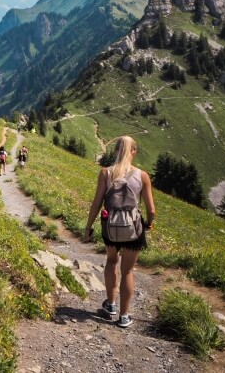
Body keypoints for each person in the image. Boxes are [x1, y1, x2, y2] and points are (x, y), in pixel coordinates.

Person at [83, 136, 156, 328]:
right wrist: (149, 223)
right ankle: (124, 316)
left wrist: (88, 227)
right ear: (134, 152)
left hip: (110, 226)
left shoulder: (105, 173)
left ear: (115, 151)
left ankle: (110, 305)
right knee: (128, 270)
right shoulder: (142, 176)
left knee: (111, 261)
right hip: (133, 228)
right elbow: (151, 209)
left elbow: (97, 203)